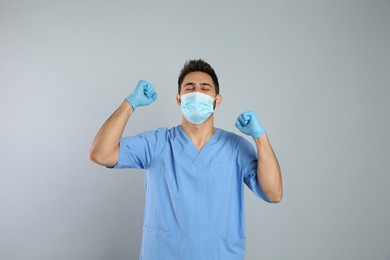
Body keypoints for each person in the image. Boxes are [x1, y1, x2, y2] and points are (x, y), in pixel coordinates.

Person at [89, 59, 283, 260]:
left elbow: (274, 193)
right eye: (190, 88)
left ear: (217, 100)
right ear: (179, 99)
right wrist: (130, 103)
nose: (197, 93)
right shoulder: (157, 143)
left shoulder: (235, 147)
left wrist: (260, 137)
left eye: (205, 88)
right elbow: (101, 154)